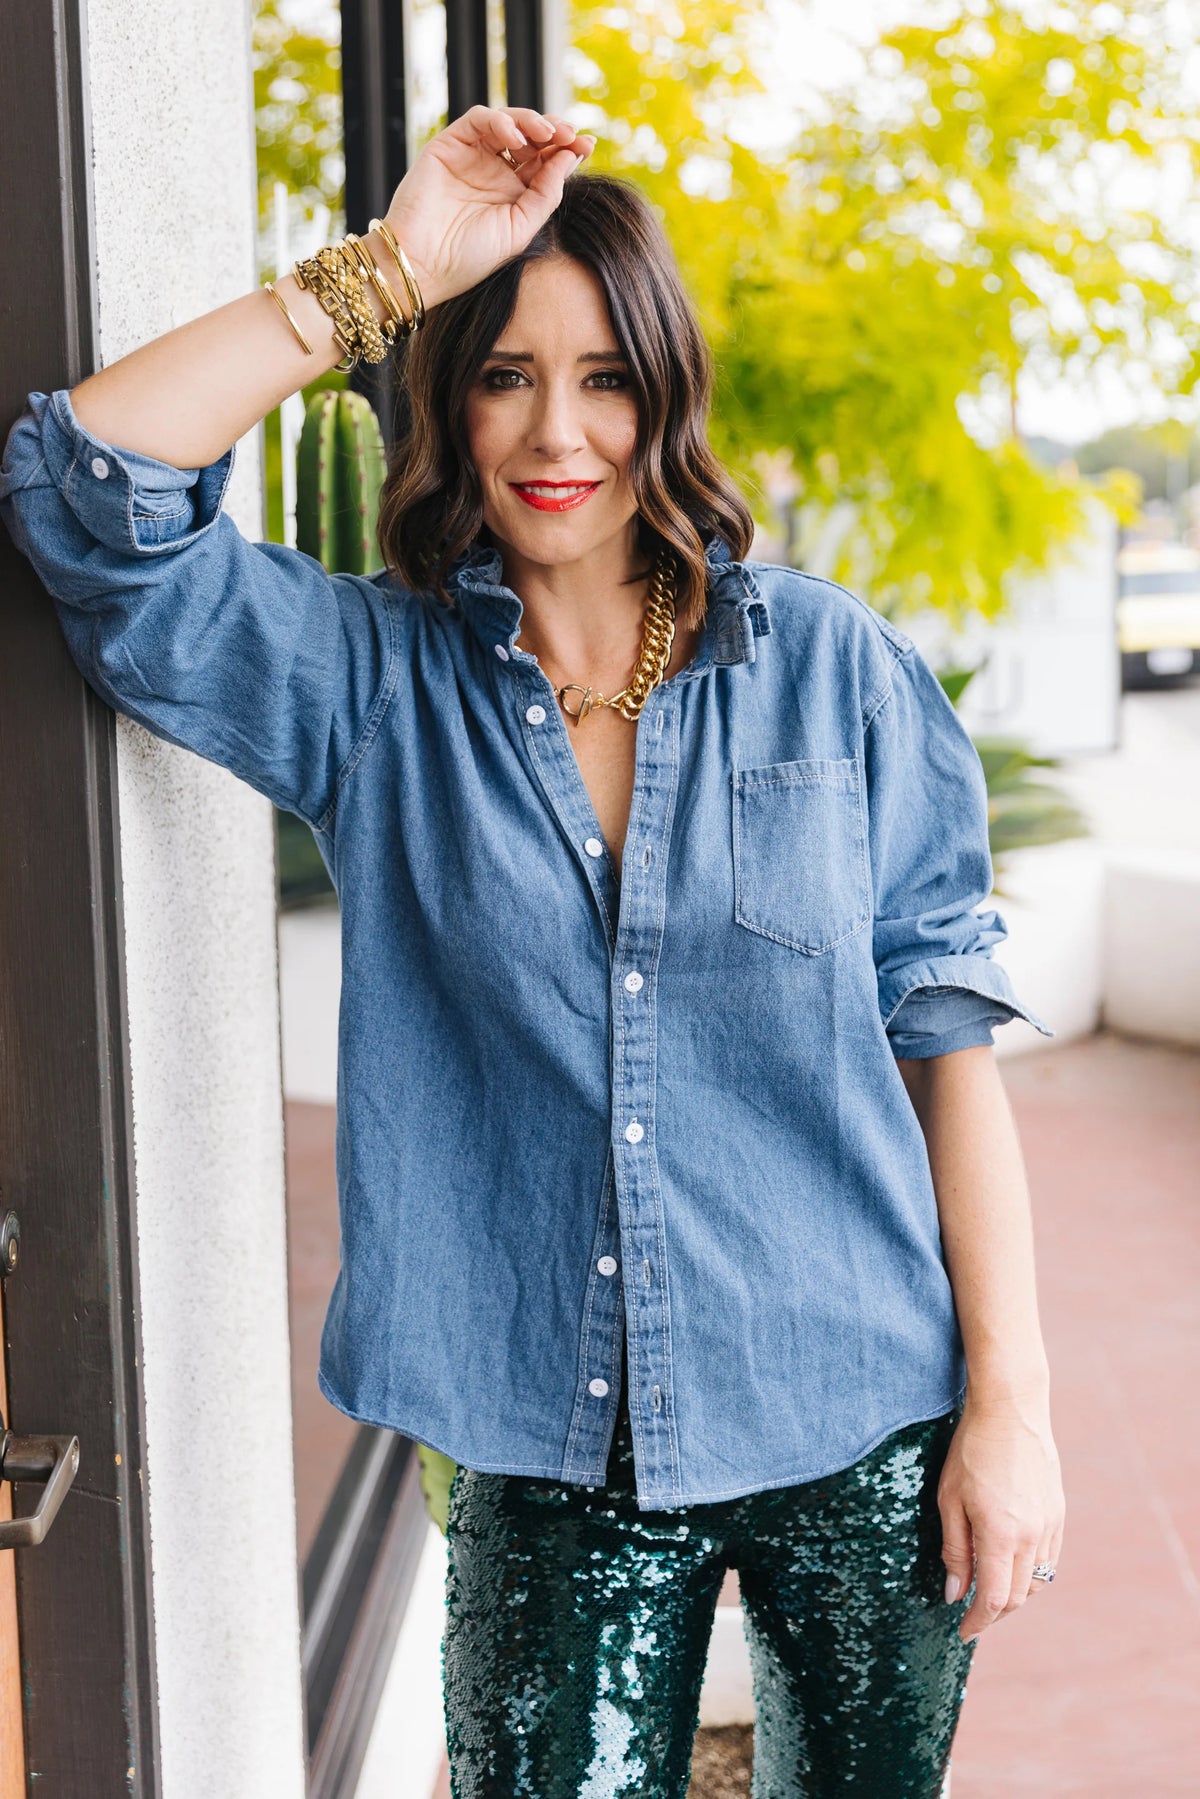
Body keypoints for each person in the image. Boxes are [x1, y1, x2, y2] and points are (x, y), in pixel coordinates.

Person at [0, 104, 1065, 1798]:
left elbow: (947, 1046)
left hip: (859, 1409)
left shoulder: (832, 671)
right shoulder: (370, 689)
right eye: (504, 373)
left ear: (667, 401)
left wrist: (1012, 1410)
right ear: (449, 403)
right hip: (536, 1447)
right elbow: (89, 497)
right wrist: (393, 271)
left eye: (605, 379)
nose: (556, 430)